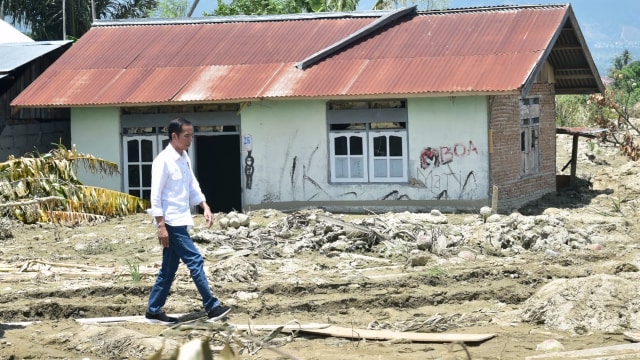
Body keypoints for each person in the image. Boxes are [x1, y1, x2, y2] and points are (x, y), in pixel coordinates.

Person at [145, 117, 231, 324]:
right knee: (195, 260)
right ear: (174, 136)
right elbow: (155, 196)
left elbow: (192, 184)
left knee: (168, 269)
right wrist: (161, 226)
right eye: (187, 136)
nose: (190, 140)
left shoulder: (184, 158)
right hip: (171, 222)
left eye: (192, 135)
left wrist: (204, 205)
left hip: (181, 218)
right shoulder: (162, 161)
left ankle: (153, 311)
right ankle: (212, 306)